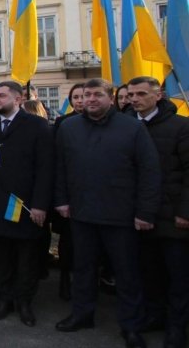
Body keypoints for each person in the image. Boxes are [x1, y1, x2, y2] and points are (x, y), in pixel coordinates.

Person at [54, 78, 161, 348]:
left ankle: (131, 326)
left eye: (97, 94)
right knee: (84, 269)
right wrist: (62, 201)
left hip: (121, 216)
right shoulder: (68, 128)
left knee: (127, 274)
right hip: (81, 213)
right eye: (86, 94)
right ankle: (82, 314)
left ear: (110, 97)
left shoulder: (132, 128)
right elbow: (60, 169)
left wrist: (145, 212)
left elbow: (149, 173)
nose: (90, 99)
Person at [0, 81, 53, 327]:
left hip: (26, 205)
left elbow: (45, 168)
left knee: (26, 257)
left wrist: (40, 204)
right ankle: (4, 299)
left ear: (18, 100)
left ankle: (24, 301)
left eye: (2, 96)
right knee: (1, 256)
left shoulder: (37, 126)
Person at [127, 76, 189, 347]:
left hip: (172, 216)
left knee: (177, 276)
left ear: (159, 95)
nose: (135, 99)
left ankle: (177, 326)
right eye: (131, 95)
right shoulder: (126, 126)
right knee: (148, 272)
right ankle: (155, 315)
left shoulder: (180, 127)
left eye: (141, 94)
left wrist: (185, 212)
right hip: (137, 215)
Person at [52, 82, 84, 301]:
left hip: (99, 197)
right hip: (70, 196)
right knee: (68, 243)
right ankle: (65, 280)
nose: (81, 101)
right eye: (77, 97)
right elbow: (56, 160)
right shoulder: (63, 123)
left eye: (85, 96)